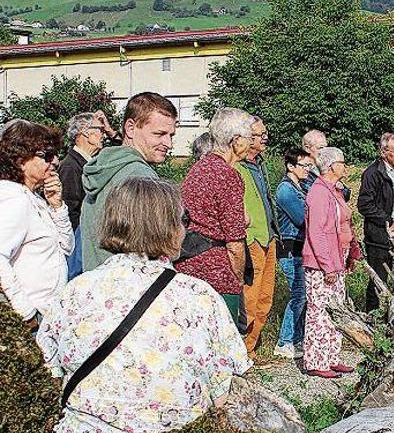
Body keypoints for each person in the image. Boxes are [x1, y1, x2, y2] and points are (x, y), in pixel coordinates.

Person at [34, 176, 286, 433]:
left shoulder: (73, 293)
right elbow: (232, 398)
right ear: (169, 228)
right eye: (183, 220)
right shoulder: (198, 299)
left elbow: (43, 384)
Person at [79, 92, 177, 272]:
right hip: (133, 292)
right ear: (130, 128)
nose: (169, 144)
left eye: (171, 135)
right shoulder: (141, 178)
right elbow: (156, 248)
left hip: (96, 288)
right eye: (159, 134)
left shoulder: (103, 167)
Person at [175, 107, 252, 319]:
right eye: (249, 137)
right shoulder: (228, 175)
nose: (252, 143)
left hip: (187, 266)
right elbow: (235, 242)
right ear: (236, 141)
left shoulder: (199, 168)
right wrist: (237, 279)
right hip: (216, 274)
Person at [0, 121, 73, 328]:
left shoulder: (33, 198)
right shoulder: (14, 198)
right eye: (46, 155)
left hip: (46, 313)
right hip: (32, 317)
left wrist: (57, 206)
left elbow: (65, 248)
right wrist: (26, 314)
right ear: (21, 160)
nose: (55, 161)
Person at [302, 147, 358, 378]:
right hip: (321, 262)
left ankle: (331, 356)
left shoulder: (334, 190)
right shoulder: (318, 193)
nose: (345, 166)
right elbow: (316, 232)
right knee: (319, 310)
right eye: (342, 162)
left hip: (338, 257)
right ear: (331, 166)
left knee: (335, 308)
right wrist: (327, 265)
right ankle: (315, 360)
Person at [237, 117, 281, 354]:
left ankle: (251, 345)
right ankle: (243, 351)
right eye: (259, 134)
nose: (265, 138)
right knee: (250, 299)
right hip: (251, 239)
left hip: (269, 236)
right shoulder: (236, 166)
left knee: (266, 298)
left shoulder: (260, 163)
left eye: (265, 133)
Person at [357, 132, 394, 312]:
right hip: (379, 237)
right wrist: (387, 220)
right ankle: (373, 317)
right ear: (383, 152)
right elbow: (364, 205)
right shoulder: (373, 174)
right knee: (379, 280)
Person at [59, 111, 117, 280]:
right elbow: (70, 211)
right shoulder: (71, 166)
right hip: (80, 246)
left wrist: (111, 131)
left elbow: (123, 152)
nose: (103, 135)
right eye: (100, 130)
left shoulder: (91, 162)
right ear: (85, 132)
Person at [273, 148, 313, 359]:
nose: (308, 170)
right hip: (291, 249)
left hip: (302, 248)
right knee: (297, 295)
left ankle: (297, 338)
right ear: (291, 166)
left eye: (309, 165)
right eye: (304, 166)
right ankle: (285, 340)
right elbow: (301, 218)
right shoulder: (286, 190)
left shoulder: (303, 186)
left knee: (303, 296)